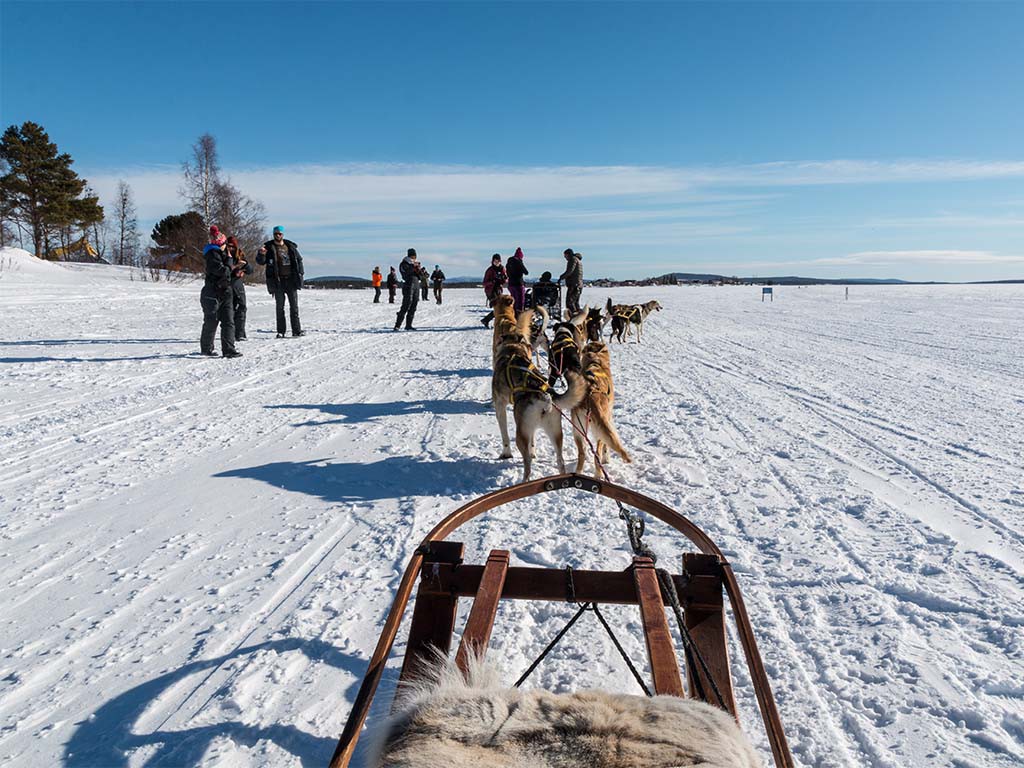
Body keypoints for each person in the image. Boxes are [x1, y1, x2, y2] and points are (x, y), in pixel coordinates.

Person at [256, 225, 305, 338]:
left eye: (280, 234)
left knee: (294, 307)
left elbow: (299, 260)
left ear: (283, 235)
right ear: (273, 235)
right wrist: (261, 254)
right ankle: (281, 331)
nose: (278, 235)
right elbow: (261, 262)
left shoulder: (290, 247)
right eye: (276, 234)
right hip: (278, 281)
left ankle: (296, 330)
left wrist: (300, 274)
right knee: (280, 307)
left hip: (291, 280)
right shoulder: (269, 247)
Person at [200, 227, 241, 358]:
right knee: (212, 320)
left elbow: (228, 273)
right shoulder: (212, 254)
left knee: (228, 320)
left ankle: (229, 349)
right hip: (212, 292)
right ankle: (206, 348)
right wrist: (229, 264)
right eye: (224, 245)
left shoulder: (223, 254)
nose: (226, 247)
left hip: (226, 291)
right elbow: (222, 271)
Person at [226, 236, 252, 341]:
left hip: (238, 285)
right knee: (229, 310)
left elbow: (250, 269)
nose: (230, 248)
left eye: (232, 246)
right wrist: (235, 268)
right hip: (227, 285)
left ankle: (240, 333)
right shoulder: (224, 255)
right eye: (229, 246)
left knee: (242, 308)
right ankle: (230, 333)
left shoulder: (240, 254)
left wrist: (243, 269)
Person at [394, 248, 424, 331]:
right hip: (408, 285)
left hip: (416, 285)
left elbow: (421, 276)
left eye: (415, 256)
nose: (414, 257)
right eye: (413, 256)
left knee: (414, 305)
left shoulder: (415, 264)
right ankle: (397, 325)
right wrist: (413, 267)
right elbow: (405, 272)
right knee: (406, 305)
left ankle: (408, 325)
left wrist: (419, 271)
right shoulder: (404, 263)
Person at [480, 253, 507, 328]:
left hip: (498, 290)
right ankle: (491, 321)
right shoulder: (490, 270)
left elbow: (506, 279)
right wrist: (492, 282)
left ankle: (486, 320)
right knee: (498, 307)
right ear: (492, 261)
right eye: (495, 261)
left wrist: (503, 279)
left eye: (498, 261)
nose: (496, 262)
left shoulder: (502, 269)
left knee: (499, 307)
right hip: (490, 291)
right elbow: (484, 283)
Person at [559, 248, 584, 316]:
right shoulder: (577, 260)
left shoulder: (572, 260)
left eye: (565, 256)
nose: (565, 258)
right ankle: (579, 317)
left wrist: (561, 277)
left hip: (574, 285)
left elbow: (570, 271)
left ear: (568, 254)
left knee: (570, 303)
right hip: (579, 284)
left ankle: (573, 318)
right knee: (575, 303)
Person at [506, 246, 528, 313]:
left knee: (514, 301)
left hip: (510, 285)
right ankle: (519, 317)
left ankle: (514, 314)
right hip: (518, 284)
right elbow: (526, 272)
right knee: (520, 301)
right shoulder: (519, 262)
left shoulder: (508, 263)